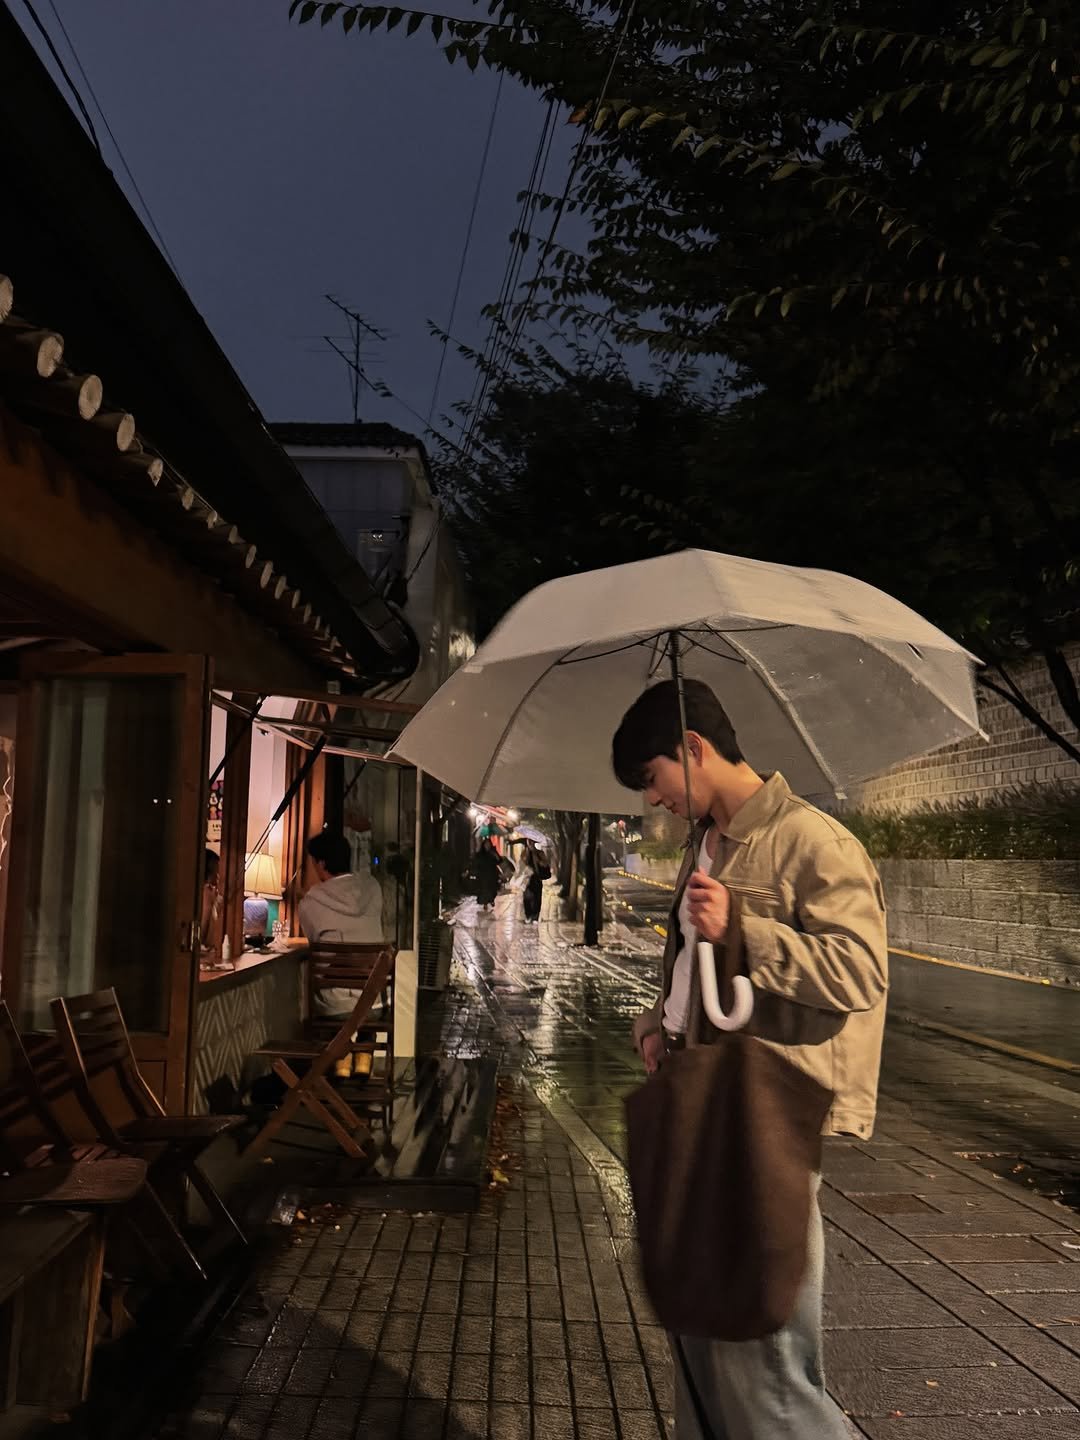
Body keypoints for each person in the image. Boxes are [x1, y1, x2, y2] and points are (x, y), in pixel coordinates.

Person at [612, 678, 888, 1440]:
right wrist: (661, 1024)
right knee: (701, 1341)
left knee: (763, 1361)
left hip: (765, 1119)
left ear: (693, 748)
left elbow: (860, 971)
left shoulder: (812, 842)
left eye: (653, 777)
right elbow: (698, 966)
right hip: (701, 1103)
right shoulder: (705, 843)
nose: (653, 798)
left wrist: (746, 925)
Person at [298, 830, 386, 1077]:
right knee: (365, 1003)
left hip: (335, 1006)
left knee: (333, 1000)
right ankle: (363, 1058)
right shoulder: (372, 888)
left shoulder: (310, 902)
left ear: (321, 863)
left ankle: (342, 1058)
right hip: (374, 1003)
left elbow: (314, 941)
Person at [201, 848, 224, 961]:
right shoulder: (205, 892)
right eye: (216, 871)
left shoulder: (214, 894)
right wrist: (209, 905)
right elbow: (201, 936)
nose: (218, 876)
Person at [522, 841, 550, 924]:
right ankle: (528, 915)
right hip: (527, 879)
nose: (530, 844)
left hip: (537, 878)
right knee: (527, 898)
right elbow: (522, 863)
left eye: (531, 842)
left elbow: (545, 864)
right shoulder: (525, 853)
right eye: (529, 842)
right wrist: (527, 853)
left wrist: (538, 860)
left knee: (537, 898)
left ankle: (535, 917)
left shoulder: (540, 853)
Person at [473, 838, 502, 911]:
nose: (487, 846)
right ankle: (485, 903)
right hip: (483, 875)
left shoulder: (493, 853)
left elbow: (499, 861)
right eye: (486, 844)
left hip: (492, 874)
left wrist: (495, 854)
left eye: (489, 844)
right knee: (484, 890)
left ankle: (491, 900)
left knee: (492, 889)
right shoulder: (480, 854)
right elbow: (476, 863)